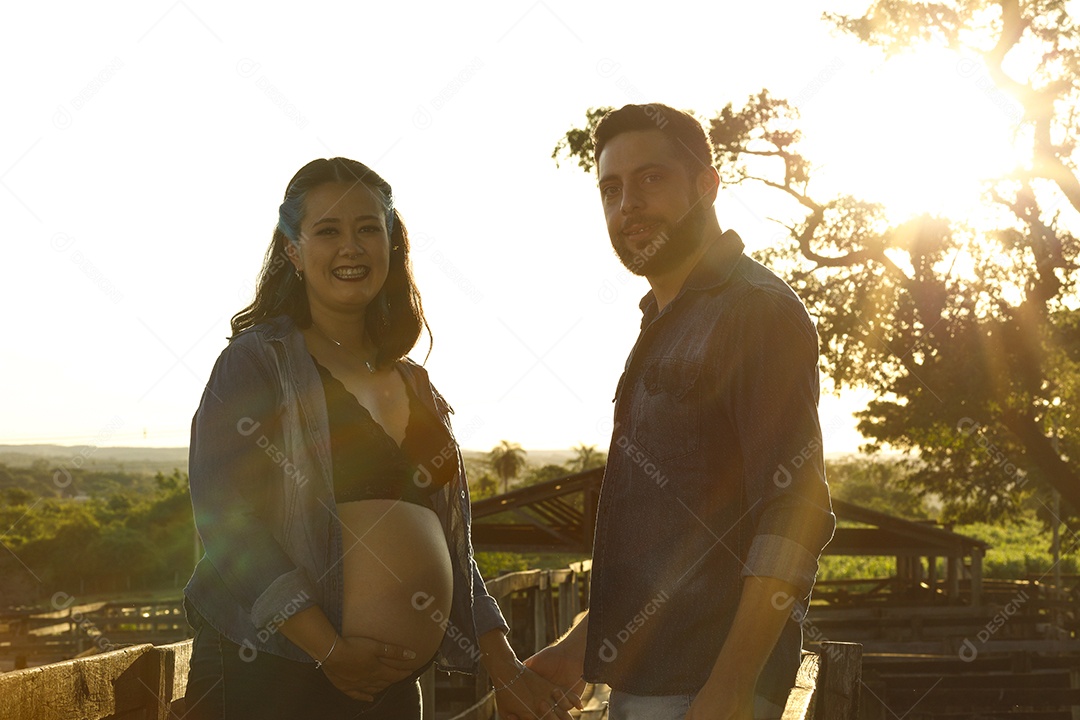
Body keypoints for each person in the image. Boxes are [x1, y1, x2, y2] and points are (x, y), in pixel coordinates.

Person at [183, 157, 581, 719]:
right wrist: (329, 650)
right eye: (328, 231)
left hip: (389, 694)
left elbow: (453, 550)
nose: (352, 246)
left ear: (393, 244)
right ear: (293, 251)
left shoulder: (416, 385)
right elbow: (226, 518)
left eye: (370, 228)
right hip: (271, 674)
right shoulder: (256, 365)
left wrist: (506, 669)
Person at [524, 105, 837, 720]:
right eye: (611, 189)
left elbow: (794, 512)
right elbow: (666, 536)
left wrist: (731, 687)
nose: (629, 203)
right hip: (647, 681)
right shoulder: (663, 322)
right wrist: (578, 646)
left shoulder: (754, 309)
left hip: (703, 688)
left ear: (706, 185)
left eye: (651, 179)